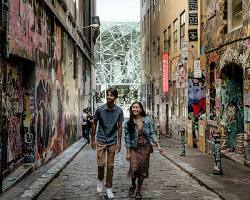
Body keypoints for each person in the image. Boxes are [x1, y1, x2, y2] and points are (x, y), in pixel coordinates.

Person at [124, 101, 164, 199]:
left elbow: (152, 133)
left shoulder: (147, 120)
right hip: (134, 148)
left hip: (145, 148)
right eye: (133, 107)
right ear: (131, 109)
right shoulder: (128, 123)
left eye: (137, 107)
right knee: (134, 169)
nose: (135, 109)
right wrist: (128, 153)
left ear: (141, 109)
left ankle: (138, 189)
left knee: (142, 169)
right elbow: (127, 139)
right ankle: (133, 185)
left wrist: (158, 145)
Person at [91, 88, 124, 199]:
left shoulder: (119, 111)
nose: (109, 97)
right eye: (108, 95)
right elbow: (94, 123)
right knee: (101, 164)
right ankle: (100, 179)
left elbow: (120, 126)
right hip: (100, 139)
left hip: (112, 141)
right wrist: (92, 139)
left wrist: (119, 142)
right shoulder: (100, 109)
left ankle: (109, 188)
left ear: (115, 97)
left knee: (110, 166)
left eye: (111, 95)